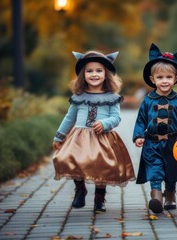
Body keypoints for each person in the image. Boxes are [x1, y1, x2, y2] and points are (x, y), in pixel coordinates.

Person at [52, 50, 135, 213]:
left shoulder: (112, 97)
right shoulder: (79, 96)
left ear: (106, 74)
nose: (94, 74)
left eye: (99, 70)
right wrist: (59, 136)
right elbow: (70, 118)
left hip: (102, 137)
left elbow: (116, 118)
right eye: (89, 71)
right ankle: (80, 188)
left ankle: (99, 198)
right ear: (83, 75)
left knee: (101, 165)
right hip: (79, 137)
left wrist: (105, 123)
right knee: (69, 158)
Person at [133, 43, 177, 213]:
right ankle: (156, 196)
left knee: (171, 171)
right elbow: (141, 120)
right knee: (155, 169)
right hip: (152, 144)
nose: (164, 81)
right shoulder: (148, 100)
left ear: (175, 79)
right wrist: (138, 135)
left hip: (174, 142)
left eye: (168, 77)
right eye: (160, 78)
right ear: (153, 80)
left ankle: (170, 194)